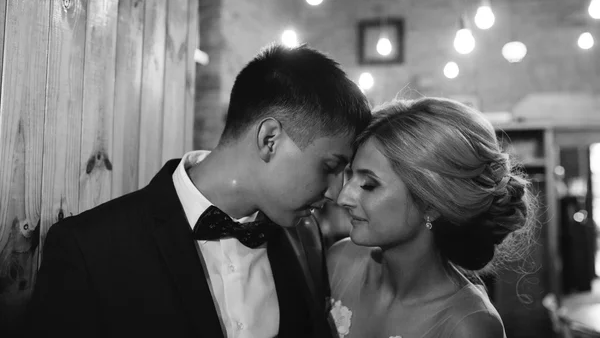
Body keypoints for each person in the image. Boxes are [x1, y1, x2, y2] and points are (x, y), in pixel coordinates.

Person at [27, 44, 371, 338]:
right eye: (329, 167)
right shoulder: (88, 248)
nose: (336, 193)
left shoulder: (306, 237)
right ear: (270, 139)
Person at [327, 97, 536, 338]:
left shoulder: (469, 324)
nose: (343, 197)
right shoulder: (340, 262)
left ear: (431, 204)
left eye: (369, 184)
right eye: (350, 175)